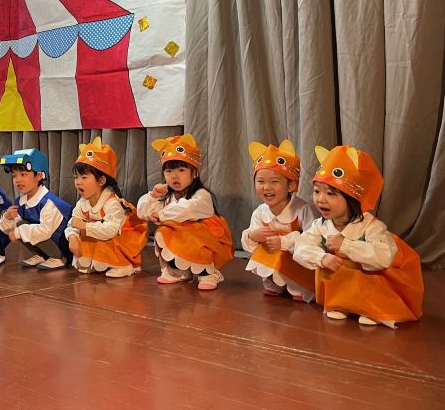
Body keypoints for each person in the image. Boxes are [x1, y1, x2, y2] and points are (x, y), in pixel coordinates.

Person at [293, 145, 424, 328]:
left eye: (330, 193)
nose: (321, 199)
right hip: (340, 290)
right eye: (316, 191)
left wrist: (346, 245)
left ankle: (371, 308)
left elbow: (384, 257)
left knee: (366, 269)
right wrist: (321, 257)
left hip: (369, 291)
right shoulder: (320, 226)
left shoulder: (371, 227)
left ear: (352, 198)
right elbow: (301, 246)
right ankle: (341, 304)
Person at [137, 134, 233, 290]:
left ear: (194, 173)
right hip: (187, 240)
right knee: (162, 232)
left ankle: (208, 273)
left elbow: (186, 209)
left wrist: (161, 215)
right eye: (169, 171)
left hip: (208, 242)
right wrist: (153, 196)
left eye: (181, 170)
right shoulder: (167, 197)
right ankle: (177, 271)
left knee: (186, 232)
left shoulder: (201, 195)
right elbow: (142, 212)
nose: (174, 176)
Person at [240, 140, 316, 301]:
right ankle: (275, 282)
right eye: (261, 181)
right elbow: (250, 236)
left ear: (291, 186)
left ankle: (299, 285)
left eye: (274, 182)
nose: (266, 187)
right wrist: (253, 236)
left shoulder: (302, 209)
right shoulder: (260, 212)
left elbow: (313, 238)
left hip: (296, 261)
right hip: (272, 257)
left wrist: (284, 241)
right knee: (265, 249)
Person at [65, 137, 148, 277]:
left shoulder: (112, 203)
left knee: (101, 235)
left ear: (101, 181)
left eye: (84, 177)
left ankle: (125, 264)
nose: (78, 182)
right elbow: (73, 222)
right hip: (101, 235)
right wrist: (72, 236)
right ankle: (95, 261)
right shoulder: (82, 203)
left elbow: (111, 230)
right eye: (76, 177)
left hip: (121, 240)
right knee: (83, 234)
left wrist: (85, 226)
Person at [0, 148, 73, 270]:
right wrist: (7, 218)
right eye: (14, 175)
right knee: (20, 225)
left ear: (39, 176)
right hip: (45, 240)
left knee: (21, 229)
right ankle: (40, 255)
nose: (18, 180)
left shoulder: (48, 202)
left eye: (23, 174)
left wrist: (17, 232)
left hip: (61, 244)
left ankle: (58, 257)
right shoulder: (20, 201)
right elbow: (10, 230)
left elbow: (45, 231)